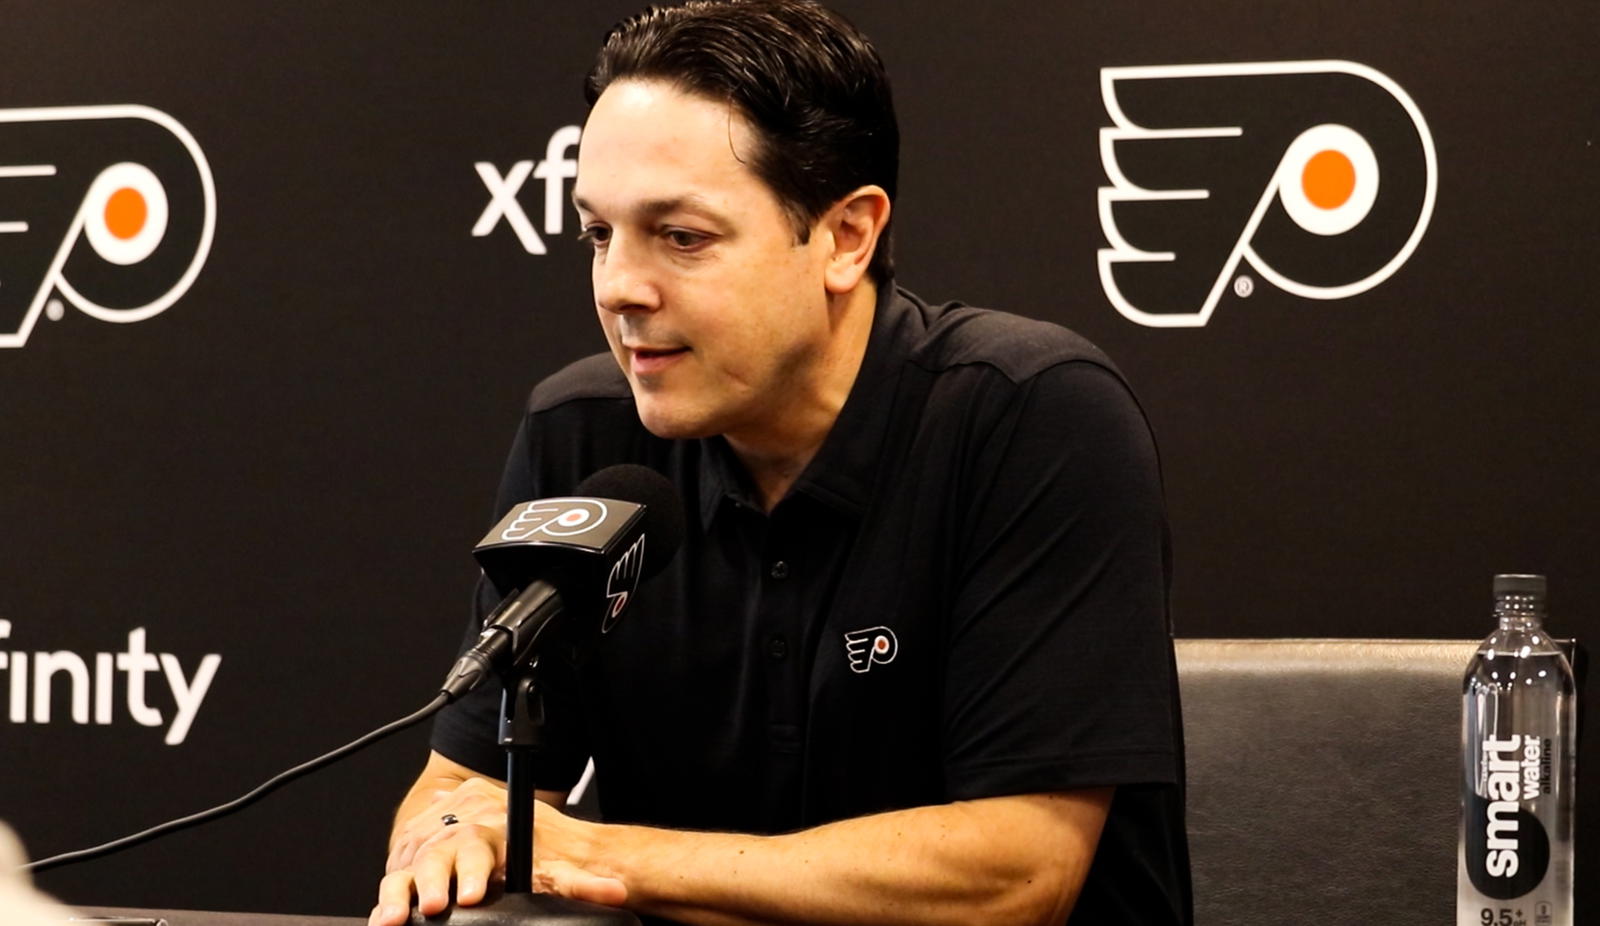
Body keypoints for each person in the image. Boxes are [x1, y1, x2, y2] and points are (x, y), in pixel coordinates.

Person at [372, 1, 1190, 923]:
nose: (618, 287)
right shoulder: (582, 433)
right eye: (599, 234)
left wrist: (598, 853)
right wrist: (454, 837)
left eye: (682, 238)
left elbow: (1018, 873)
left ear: (847, 236)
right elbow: (462, 790)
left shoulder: (1031, 414)